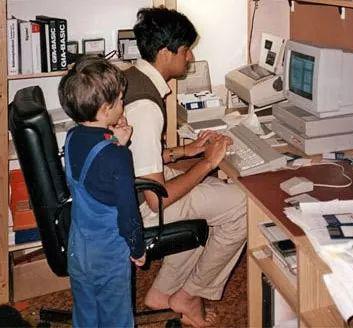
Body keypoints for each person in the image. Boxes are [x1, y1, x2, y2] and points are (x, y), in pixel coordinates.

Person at [124, 7, 247, 327]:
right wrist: (206, 162)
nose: (189, 57)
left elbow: (137, 154)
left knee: (218, 192)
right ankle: (191, 294)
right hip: (139, 207)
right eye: (185, 49)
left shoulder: (131, 78)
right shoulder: (146, 108)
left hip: (125, 193)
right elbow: (158, 200)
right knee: (244, 205)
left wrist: (183, 152)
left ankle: (162, 293)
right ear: (165, 53)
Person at [58, 56, 146, 327]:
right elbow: (127, 213)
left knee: (86, 313)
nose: (123, 104)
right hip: (107, 254)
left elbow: (93, 164)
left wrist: (115, 140)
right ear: (106, 109)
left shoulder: (71, 137)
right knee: (116, 316)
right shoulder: (118, 158)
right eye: (120, 100)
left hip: (78, 248)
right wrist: (138, 248)